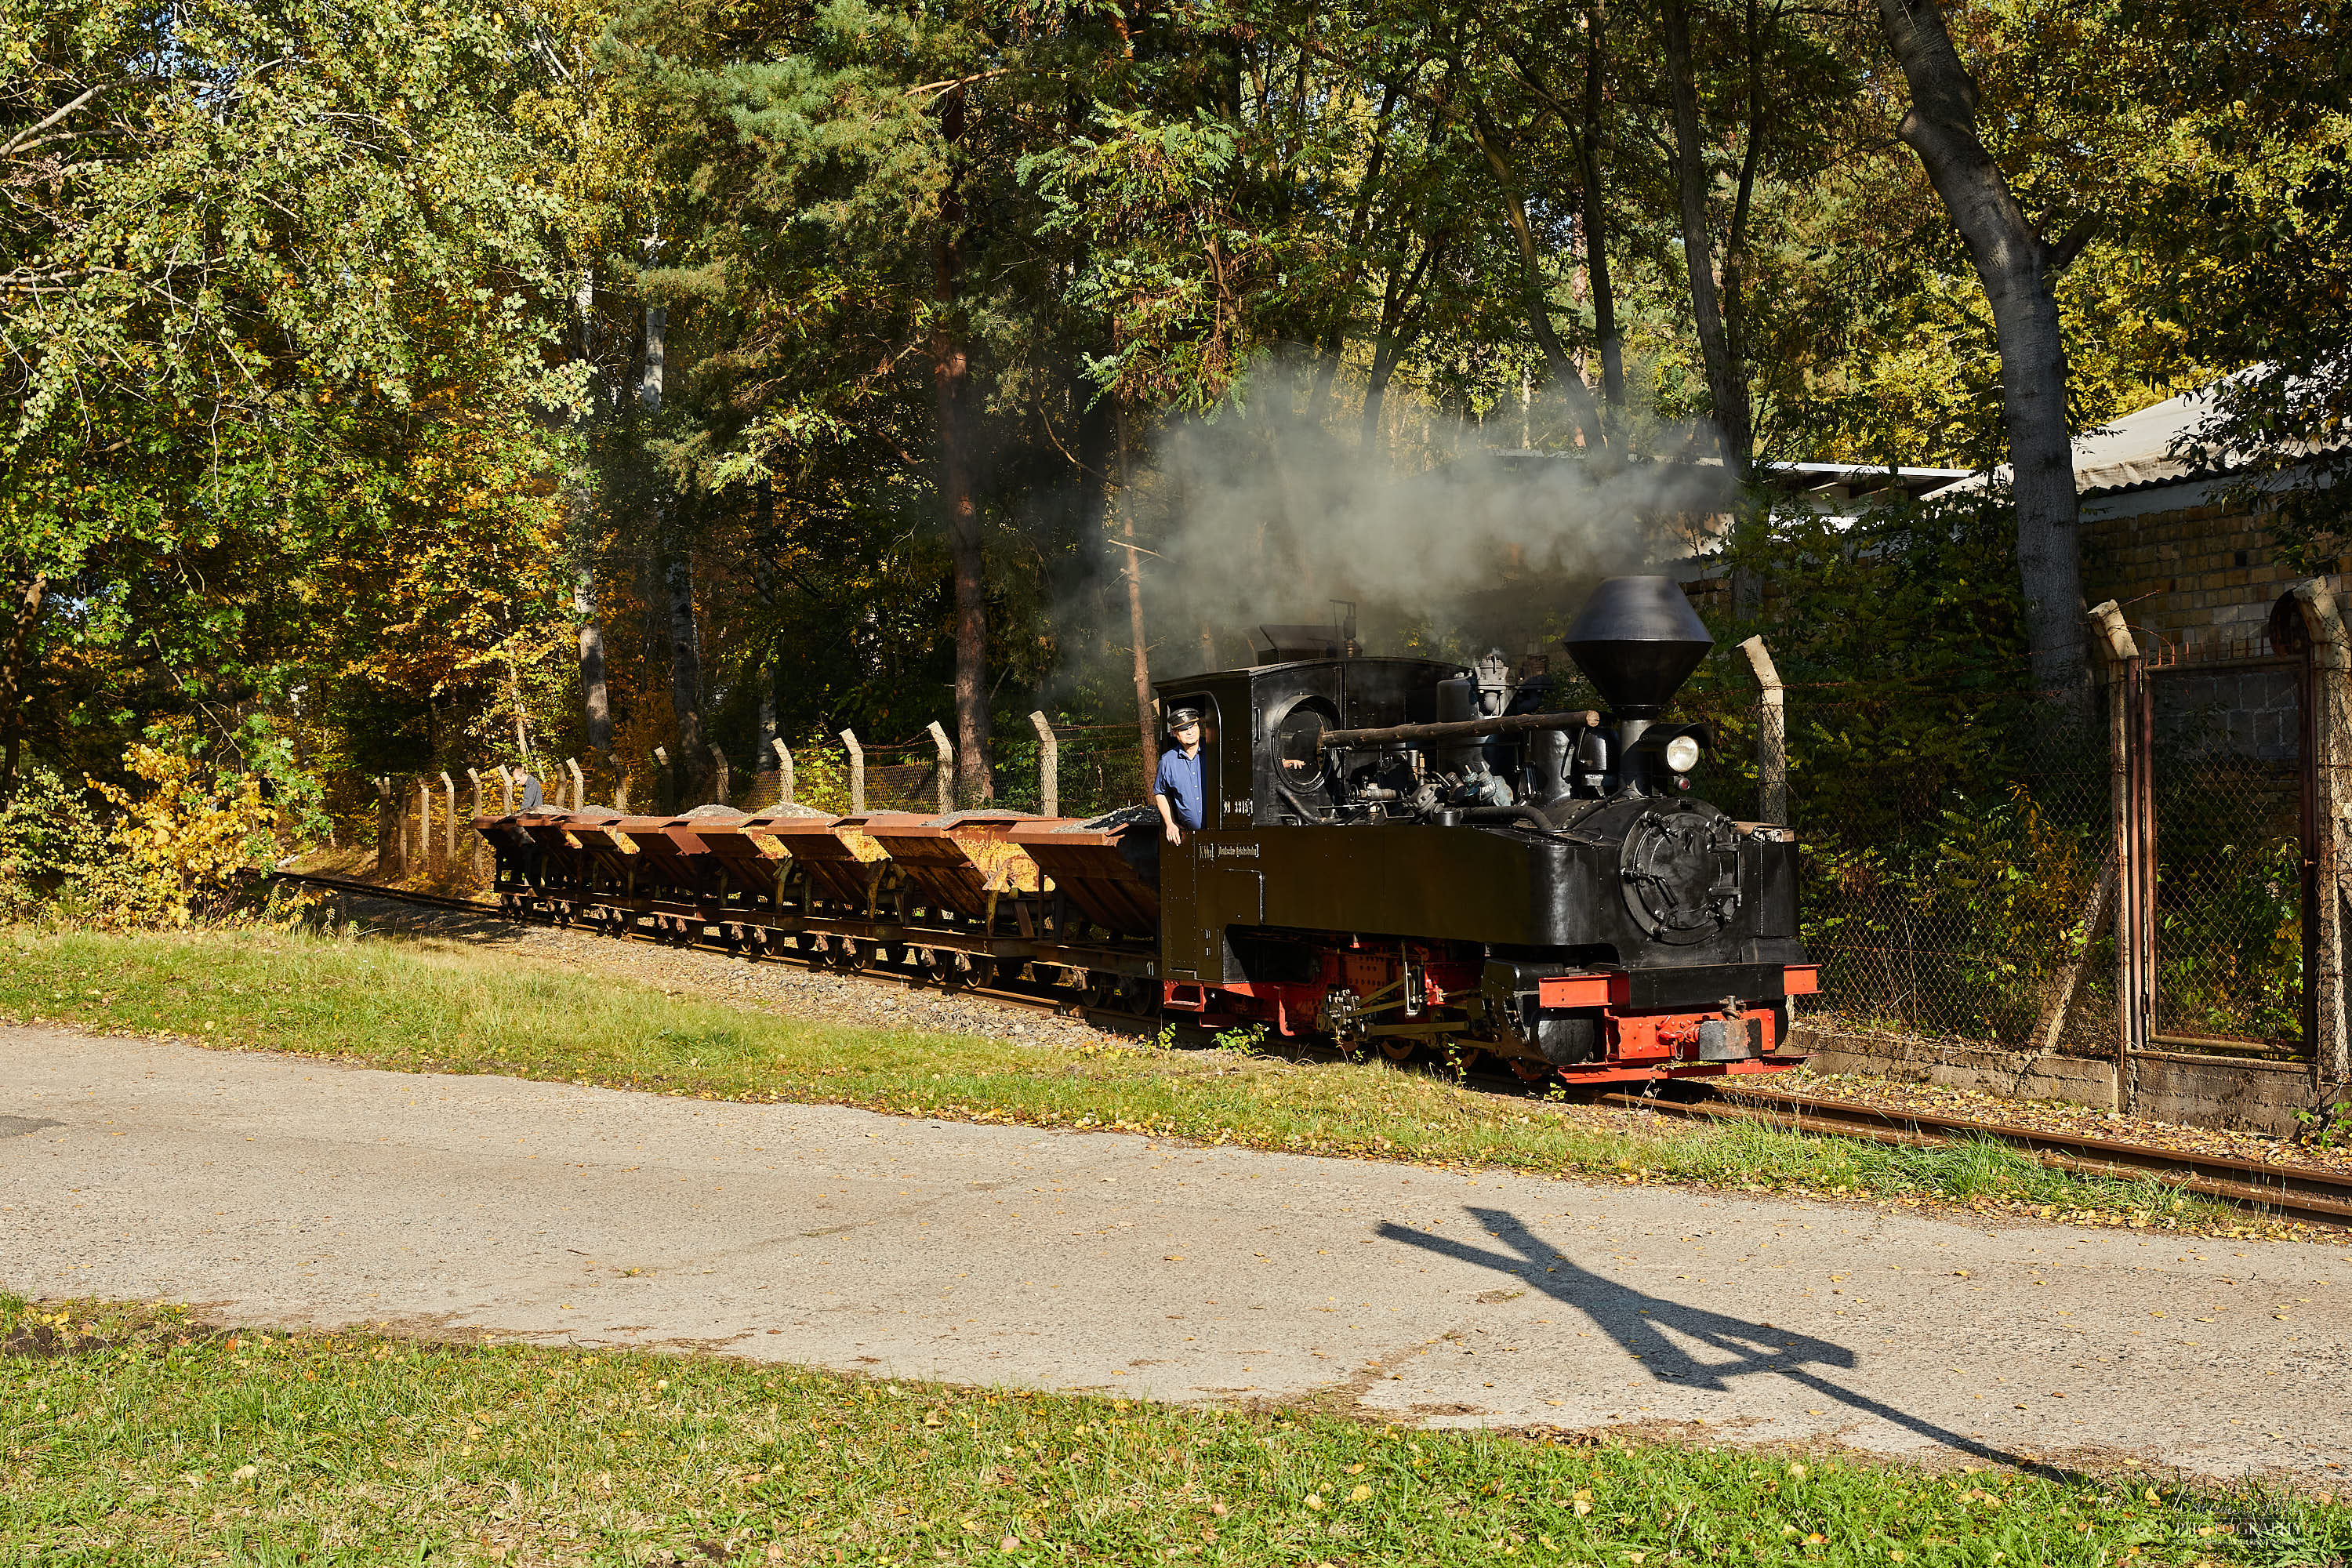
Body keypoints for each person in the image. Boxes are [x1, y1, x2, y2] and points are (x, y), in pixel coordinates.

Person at [1153, 707, 1205, 845]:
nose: (1190, 732)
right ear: (1175, 732)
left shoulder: (1215, 751)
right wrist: (1170, 823)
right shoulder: (1168, 761)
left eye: (1193, 726)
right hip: (1188, 839)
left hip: (1218, 836)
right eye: (1184, 729)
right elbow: (1160, 793)